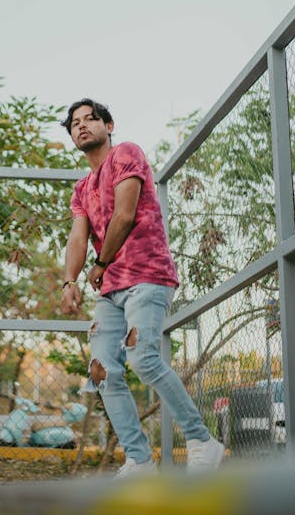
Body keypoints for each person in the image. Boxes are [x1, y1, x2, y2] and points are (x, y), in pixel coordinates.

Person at [60, 98, 224, 477]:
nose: (82, 126)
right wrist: (69, 280)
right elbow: (78, 237)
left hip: (147, 276)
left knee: (143, 359)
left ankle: (203, 441)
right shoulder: (82, 187)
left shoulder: (126, 154)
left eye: (90, 119)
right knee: (102, 369)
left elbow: (125, 214)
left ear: (109, 124)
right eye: (74, 124)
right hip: (111, 291)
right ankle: (138, 461)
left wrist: (100, 265)